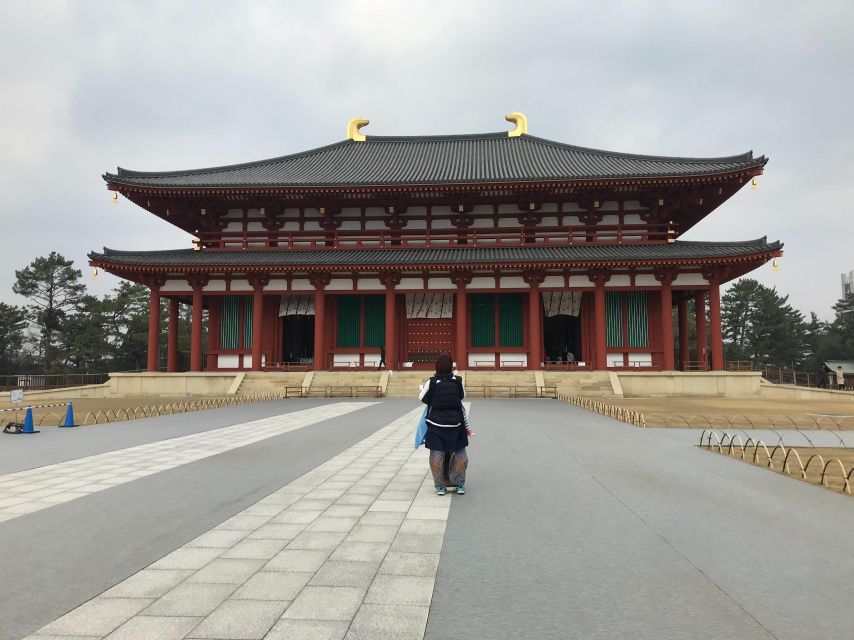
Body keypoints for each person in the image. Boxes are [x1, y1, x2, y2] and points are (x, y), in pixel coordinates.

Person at [419, 353, 468, 495]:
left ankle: (440, 486)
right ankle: (459, 484)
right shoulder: (458, 381)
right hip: (456, 423)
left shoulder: (432, 382)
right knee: (460, 455)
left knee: (436, 455)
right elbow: (462, 396)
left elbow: (422, 398)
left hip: (436, 423)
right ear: (451, 365)